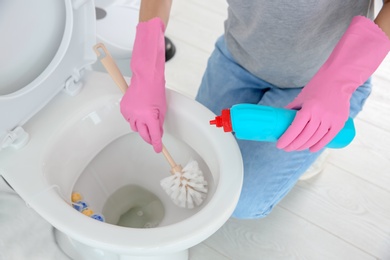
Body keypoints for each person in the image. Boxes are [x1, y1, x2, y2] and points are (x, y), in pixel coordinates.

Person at [120, 0, 390, 219]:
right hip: (239, 57)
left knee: (241, 201)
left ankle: (316, 137)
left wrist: (340, 80)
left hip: (325, 78)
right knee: (200, 161)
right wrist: (146, 67)